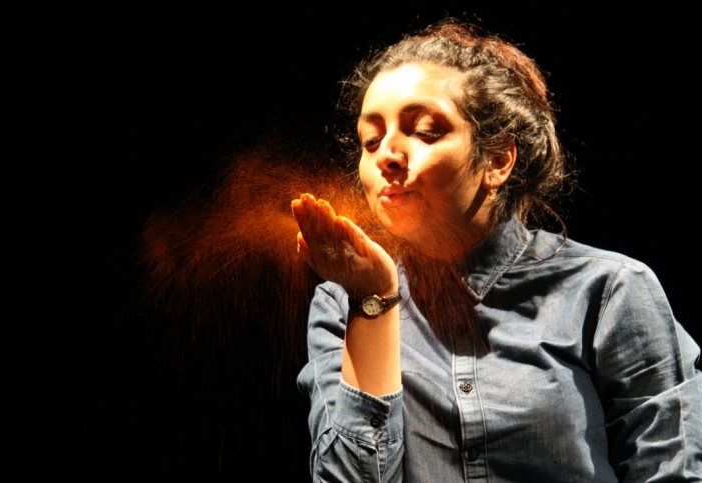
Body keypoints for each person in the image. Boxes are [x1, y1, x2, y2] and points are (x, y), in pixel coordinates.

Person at [291, 20, 702, 482]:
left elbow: (671, 471)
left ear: (497, 160)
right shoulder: (342, 305)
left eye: (424, 131)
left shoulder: (609, 291)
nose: (386, 154)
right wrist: (374, 301)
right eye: (371, 140)